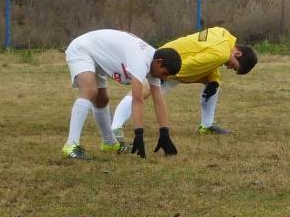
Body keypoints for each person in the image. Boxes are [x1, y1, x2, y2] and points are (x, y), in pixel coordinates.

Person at [111, 27, 257, 138]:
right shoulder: (222, 54)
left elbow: (207, 58)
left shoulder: (223, 34)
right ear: (238, 53)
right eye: (234, 65)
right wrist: (168, 74)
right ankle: (115, 127)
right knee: (143, 92)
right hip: (170, 63)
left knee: (214, 84)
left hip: (170, 53)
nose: (229, 67)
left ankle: (207, 125)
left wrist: (213, 80)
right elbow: (192, 64)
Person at [62, 29, 182, 160]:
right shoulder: (140, 60)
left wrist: (165, 133)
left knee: (102, 100)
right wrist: (139, 135)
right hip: (83, 48)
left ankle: (109, 143)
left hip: (98, 54)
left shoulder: (154, 62)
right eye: (164, 73)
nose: (163, 78)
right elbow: (137, 100)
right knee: (90, 91)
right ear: (158, 62)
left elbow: (158, 100)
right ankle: (71, 145)